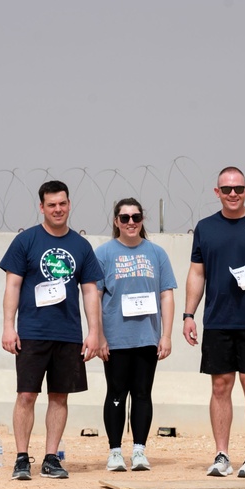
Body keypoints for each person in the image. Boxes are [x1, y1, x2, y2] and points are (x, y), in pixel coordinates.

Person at [183, 167, 245, 478]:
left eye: (238, 189)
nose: (232, 194)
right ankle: (222, 454)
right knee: (219, 386)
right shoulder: (205, 228)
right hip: (217, 321)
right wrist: (189, 314)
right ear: (217, 192)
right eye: (226, 189)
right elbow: (197, 273)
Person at [0, 180, 103, 480]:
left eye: (62, 203)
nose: (58, 209)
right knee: (26, 396)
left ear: (69, 205)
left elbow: (90, 291)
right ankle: (21, 458)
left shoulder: (81, 246)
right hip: (32, 332)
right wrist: (8, 326)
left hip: (68, 334)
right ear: (42, 207)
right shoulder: (25, 241)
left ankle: (50, 458)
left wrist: (94, 331)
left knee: (60, 397)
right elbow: (13, 285)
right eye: (51, 205)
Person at [96, 199, 177, 472]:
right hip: (116, 338)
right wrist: (98, 336)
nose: (131, 222)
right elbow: (94, 296)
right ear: (116, 221)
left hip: (147, 337)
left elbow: (166, 294)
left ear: (142, 220)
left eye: (136, 217)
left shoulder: (157, 253)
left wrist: (166, 335)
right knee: (116, 393)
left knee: (143, 393)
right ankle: (115, 452)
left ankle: (140, 451)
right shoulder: (104, 253)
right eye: (125, 217)